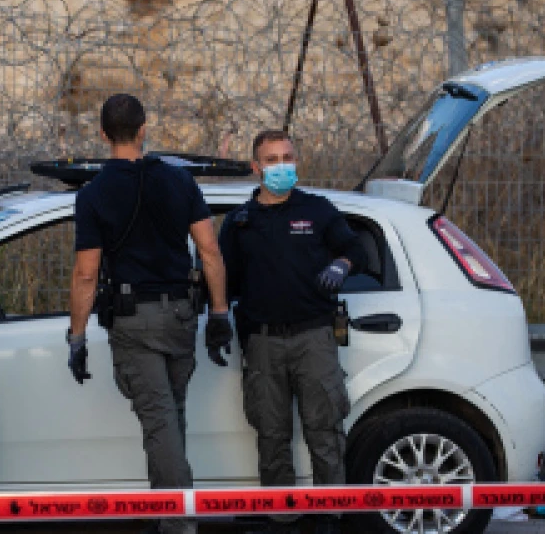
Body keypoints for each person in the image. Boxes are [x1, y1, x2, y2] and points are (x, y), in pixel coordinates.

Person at [67, 94, 233, 534]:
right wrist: (218, 314)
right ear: (144, 130)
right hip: (181, 313)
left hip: (134, 318)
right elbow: (209, 250)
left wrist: (77, 338)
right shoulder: (178, 182)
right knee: (170, 415)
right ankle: (171, 512)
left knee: (160, 421)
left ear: (103, 135)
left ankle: (179, 524)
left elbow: (86, 274)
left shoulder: (94, 195)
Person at [218, 130, 367, 534]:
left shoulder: (318, 210)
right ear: (256, 167)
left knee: (325, 428)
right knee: (271, 432)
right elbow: (222, 281)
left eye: (287, 157)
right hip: (262, 341)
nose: (281, 166)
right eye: (271, 159)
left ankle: (330, 514)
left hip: (313, 337)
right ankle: (280, 516)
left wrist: (342, 265)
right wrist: (215, 317)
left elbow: (357, 250)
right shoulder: (239, 222)